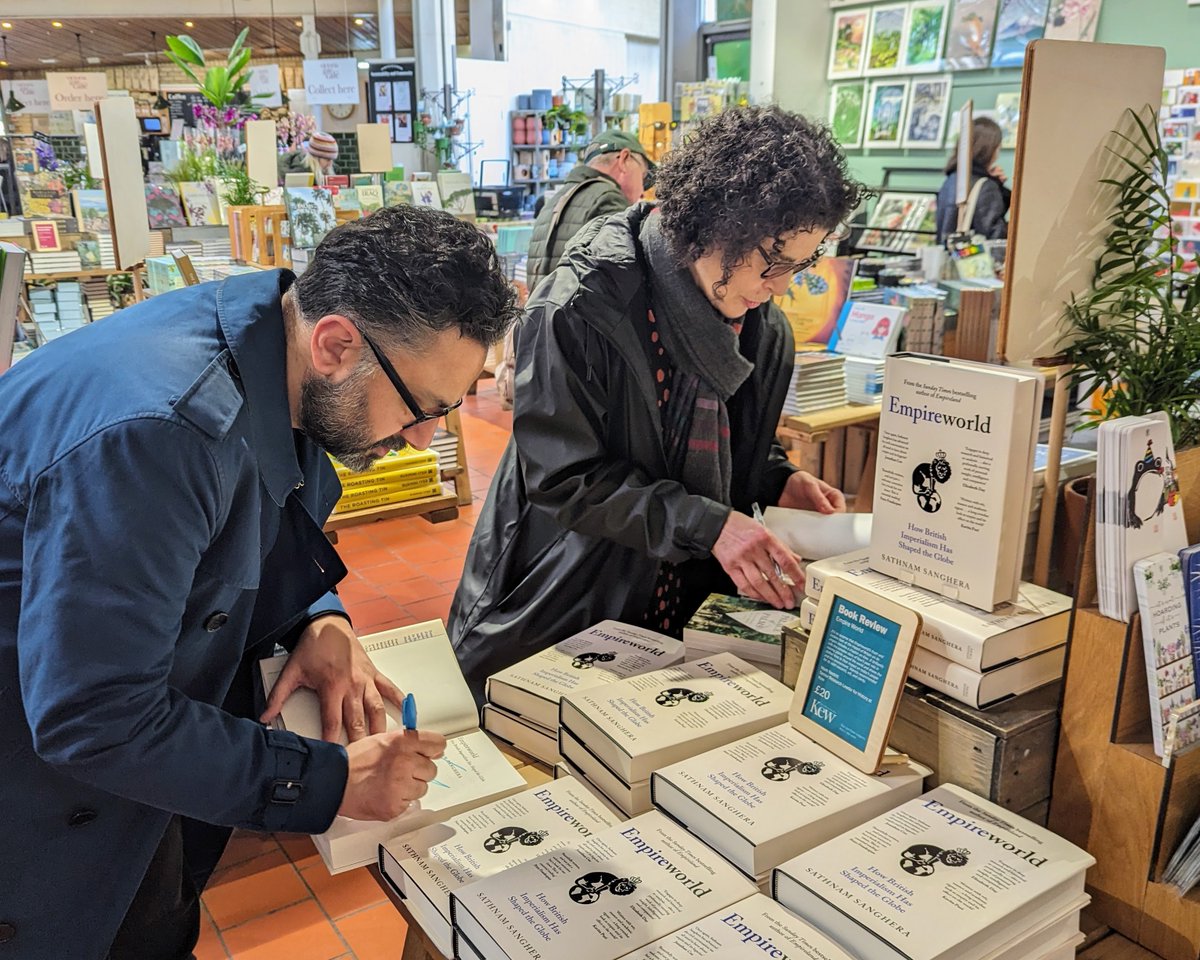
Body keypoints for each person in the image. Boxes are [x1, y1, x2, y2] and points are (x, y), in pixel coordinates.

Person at [0, 205, 519, 960]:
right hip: (43, 806)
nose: (425, 438)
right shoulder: (163, 434)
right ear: (338, 343)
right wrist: (330, 781)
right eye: (423, 409)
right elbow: (95, 717)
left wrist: (320, 617)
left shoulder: (280, 342)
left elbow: (265, 520)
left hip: (147, 771)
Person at [450, 105, 865, 698]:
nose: (781, 286)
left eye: (800, 265)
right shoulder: (581, 308)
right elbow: (566, 478)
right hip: (570, 599)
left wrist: (777, 480)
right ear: (717, 222)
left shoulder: (760, 326)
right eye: (774, 261)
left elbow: (732, 439)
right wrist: (708, 524)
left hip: (689, 609)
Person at [524, 130, 655, 291]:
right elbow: (622, 280)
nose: (642, 191)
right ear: (624, 159)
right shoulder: (608, 198)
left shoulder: (554, 201)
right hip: (579, 316)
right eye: (643, 177)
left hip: (543, 314)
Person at [935, 116, 1011, 243]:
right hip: (972, 261)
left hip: (950, 258)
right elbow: (995, 238)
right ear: (990, 149)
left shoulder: (951, 179)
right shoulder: (986, 187)